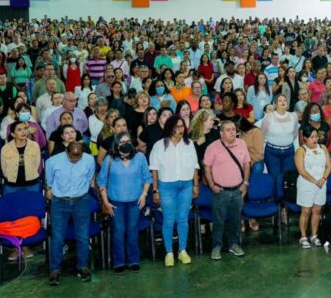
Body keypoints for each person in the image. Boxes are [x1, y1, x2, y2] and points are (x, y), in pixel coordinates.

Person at [97, 131, 152, 274]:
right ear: (116, 144)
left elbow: (147, 178)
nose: (125, 144)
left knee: (132, 230)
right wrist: (106, 202)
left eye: (128, 141)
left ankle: (134, 260)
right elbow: (101, 182)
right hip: (116, 202)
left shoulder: (140, 157)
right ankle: (119, 261)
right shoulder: (109, 160)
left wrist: (144, 194)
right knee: (119, 231)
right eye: (122, 142)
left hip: (135, 201)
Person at [149, 115, 199, 267]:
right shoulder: (159, 145)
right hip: (166, 187)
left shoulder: (189, 143)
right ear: (170, 128)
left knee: (183, 219)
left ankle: (182, 250)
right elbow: (154, 170)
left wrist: (195, 185)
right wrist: (155, 190)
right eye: (177, 126)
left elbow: (195, 166)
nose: (180, 129)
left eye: (182, 126)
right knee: (169, 220)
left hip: (185, 185)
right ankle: (169, 252)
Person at [45, 141, 95, 286]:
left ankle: (83, 267)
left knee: (83, 236)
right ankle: (55, 270)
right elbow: (49, 180)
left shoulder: (89, 160)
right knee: (58, 237)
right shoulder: (52, 162)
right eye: (72, 158)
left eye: (78, 158)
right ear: (66, 152)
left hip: (81, 200)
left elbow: (89, 177)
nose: (75, 161)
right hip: (59, 202)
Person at [203, 120, 250, 261]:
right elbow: (207, 167)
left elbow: (247, 164)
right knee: (219, 220)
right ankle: (216, 246)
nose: (232, 132)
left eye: (233, 129)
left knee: (236, 220)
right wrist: (211, 185)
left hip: (237, 190)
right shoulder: (213, 147)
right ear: (221, 133)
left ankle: (233, 244)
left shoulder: (242, 144)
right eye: (228, 130)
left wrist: (245, 183)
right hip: (220, 191)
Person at [294, 126, 331, 248]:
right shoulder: (301, 150)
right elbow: (301, 170)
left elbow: (328, 165)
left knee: (317, 210)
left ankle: (314, 235)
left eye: (316, 136)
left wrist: (324, 178)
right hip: (307, 184)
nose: (315, 139)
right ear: (305, 138)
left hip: (321, 184)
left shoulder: (323, 148)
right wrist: (315, 181)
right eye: (312, 137)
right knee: (306, 211)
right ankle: (303, 236)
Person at [260, 94, 299, 179]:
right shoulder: (268, 117)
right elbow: (262, 135)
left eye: (285, 100)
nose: (283, 102)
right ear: (275, 104)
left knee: (287, 178)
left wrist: (285, 141)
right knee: (275, 178)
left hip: (289, 152)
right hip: (272, 152)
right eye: (280, 100)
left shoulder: (293, 116)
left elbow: (295, 134)